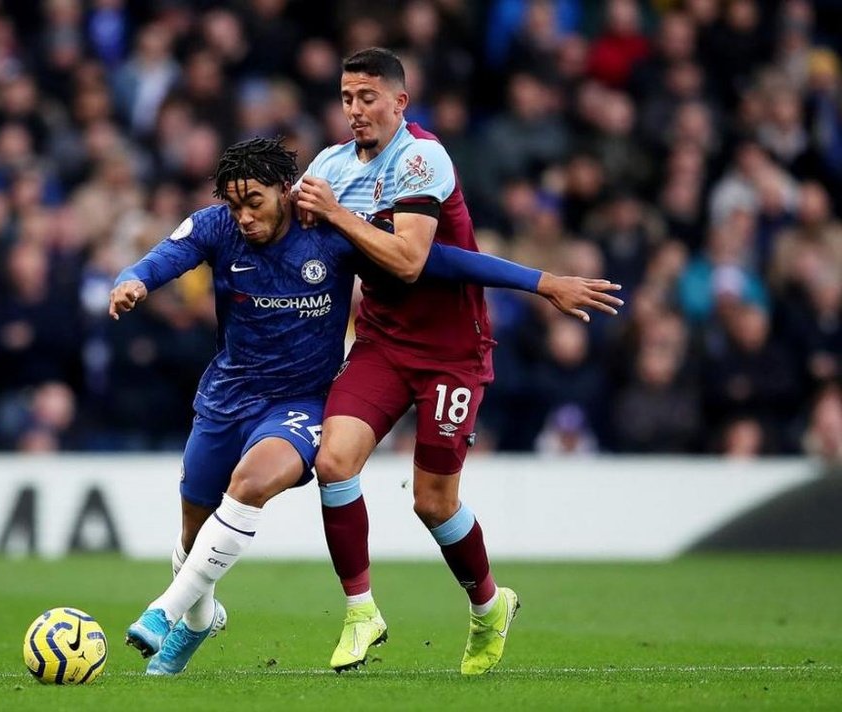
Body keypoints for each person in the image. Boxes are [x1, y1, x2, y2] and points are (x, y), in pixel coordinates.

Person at [110, 137, 620, 676]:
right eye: (235, 206)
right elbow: (164, 257)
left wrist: (541, 282)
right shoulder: (216, 226)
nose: (244, 218)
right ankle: (197, 620)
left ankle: (165, 612)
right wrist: (132, 282)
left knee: (255, 482)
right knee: (193, 536)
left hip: (301, 404)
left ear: (286, 191)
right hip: (227, 397)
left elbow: (440, 261)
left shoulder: (331, 232)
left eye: (254, 203)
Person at [295, 47, 621, 674]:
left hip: (451, 353)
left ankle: (488, 605)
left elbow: (414, 261)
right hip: (383, 341)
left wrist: (538, 281)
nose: (355, 110)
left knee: (433, 502)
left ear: (399, 102)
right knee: (333, 461)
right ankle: (361, 612)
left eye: (368, 98)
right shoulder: (330, 164)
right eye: (346, 98)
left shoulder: (422, 157)